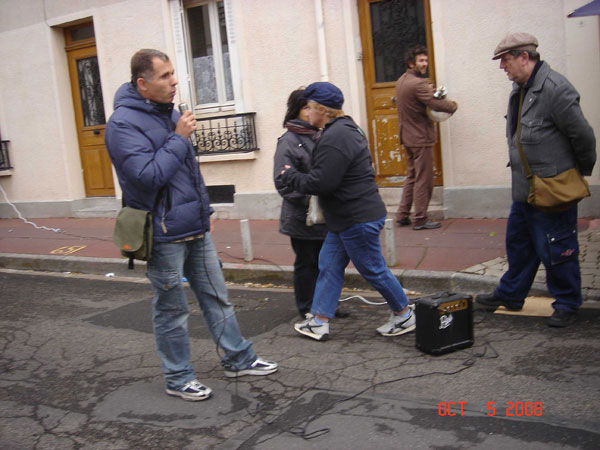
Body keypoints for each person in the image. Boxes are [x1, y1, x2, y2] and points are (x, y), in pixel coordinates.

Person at [105, 49, 277, 401]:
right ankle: (178, 377)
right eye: (165, 76)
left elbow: (188, 174)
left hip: (193, 226)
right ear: (143, 84)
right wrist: (179, 138)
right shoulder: (122, 124)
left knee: (217, 296)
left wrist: (205, 212)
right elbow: (147, 177)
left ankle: (238, 357)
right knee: (172, 310)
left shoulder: (168, 114)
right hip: (164, 232)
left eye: (173, 74)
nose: (174, 82)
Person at [476, 33, 596, 328]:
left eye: (505, 60)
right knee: (519, 244)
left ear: (524, 57)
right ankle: (511, 294)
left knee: (558, 247)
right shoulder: (520, 89)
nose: (502, 67)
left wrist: (573, 173)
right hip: (525, 188)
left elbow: (583, 137)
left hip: (552, 188)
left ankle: (567, 302)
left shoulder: (555, 89)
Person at [280, 81, 416, 341]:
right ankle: (319, 320)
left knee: (373, 269)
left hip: (356, 218)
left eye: (310, 108)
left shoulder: (334, 138)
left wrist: (292, 176)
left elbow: (322, 182)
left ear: (322, 109)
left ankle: (404, 314)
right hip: (346, 218)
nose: (307, 113)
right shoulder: (347, 128)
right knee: (328, 264)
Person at [273, 89, 328, 318]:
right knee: (307, 263)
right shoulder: (288, 140)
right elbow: (283, 181)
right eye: (306, 107)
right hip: (301, 217)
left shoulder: (321, 135)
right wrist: (311, 199)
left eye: (313, 106)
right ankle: (306, 307)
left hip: (326, 216)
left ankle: (325, 304)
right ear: (296, 110)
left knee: (326, 263)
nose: (311, 111)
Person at [395, 45, 458, 230]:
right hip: (420, 138)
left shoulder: (401, 81)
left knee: (412, 177)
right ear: (411, 63)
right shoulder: (418, 84)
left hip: (407, 136)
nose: (424, 64)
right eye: (421, 61)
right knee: (424, 179)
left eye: (425, 60)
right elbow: (436, 104)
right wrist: (453, 105)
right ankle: (420, 218)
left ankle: (402, 214)